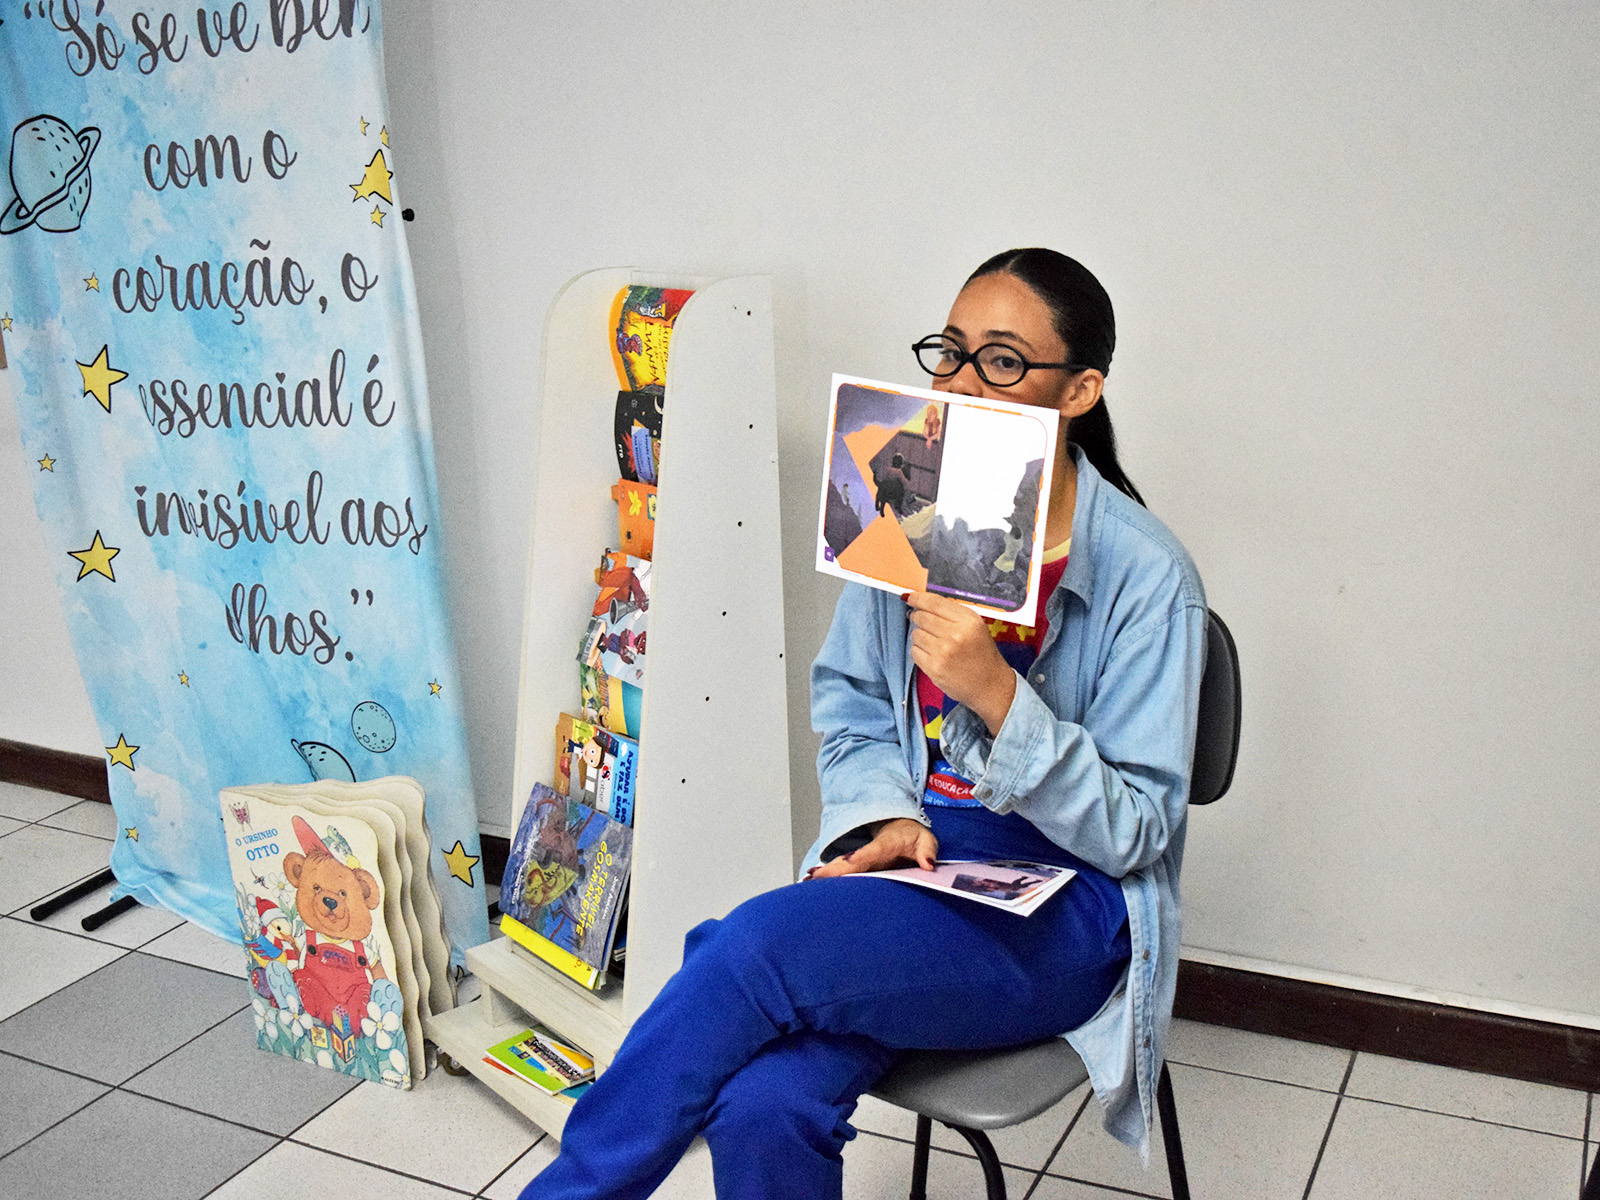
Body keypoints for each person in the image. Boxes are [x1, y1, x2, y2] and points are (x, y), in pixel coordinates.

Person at [526, 248, 1206, 1200]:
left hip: (1068, 910)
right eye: (951, 352)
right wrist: (883, 814)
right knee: (764, 1102)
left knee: (750, 947)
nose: (959, 384)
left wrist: (997, 695)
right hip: (920, 861)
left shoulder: (1149, 578)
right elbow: (850, 707)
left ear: (1080, 390)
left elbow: (1137, 831)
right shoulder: (909, 505)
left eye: (1003, 361)